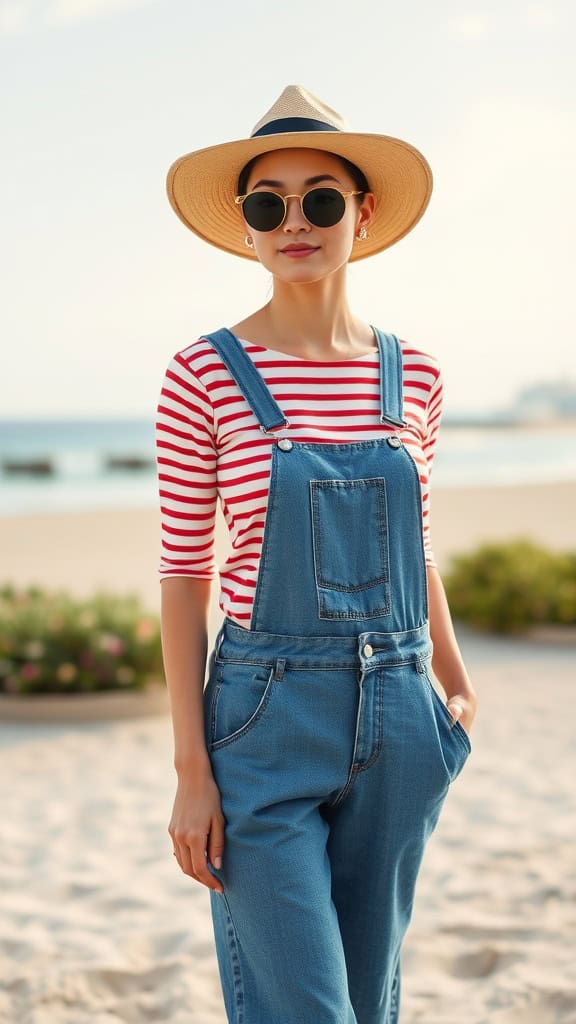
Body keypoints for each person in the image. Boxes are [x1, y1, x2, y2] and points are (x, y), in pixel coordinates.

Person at [156, 84, 478, 1024]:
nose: (295, 221)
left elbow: (418, 549)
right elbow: (183, 577)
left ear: (362, 213)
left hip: (404, 714)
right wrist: (190, 770)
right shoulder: (203, 372)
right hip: (262, 721)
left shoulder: (414, 374)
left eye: (321, 198)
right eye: (269, 204)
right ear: (248, 228)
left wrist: (456, 694)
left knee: (370, 1005)